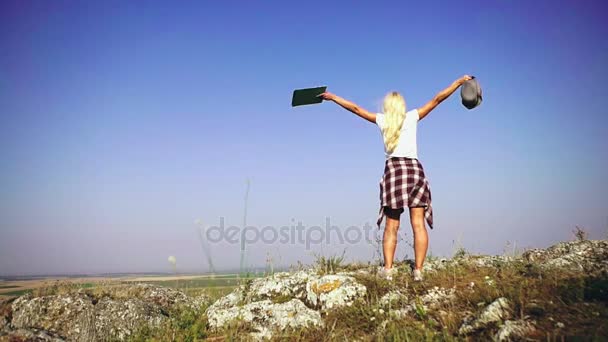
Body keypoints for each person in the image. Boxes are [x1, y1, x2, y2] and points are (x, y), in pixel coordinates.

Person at [318, 75, 473, 281]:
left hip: (394, 171)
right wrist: (458, 82)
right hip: (414, 170)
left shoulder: (382, 121)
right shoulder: (412, 117)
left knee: (392, 225)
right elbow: (438, 99)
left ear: (387, 107)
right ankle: (418, 271)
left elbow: (355, 108)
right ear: (402, 106)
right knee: (418, 224)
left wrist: (333, 97)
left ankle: (388, 271)